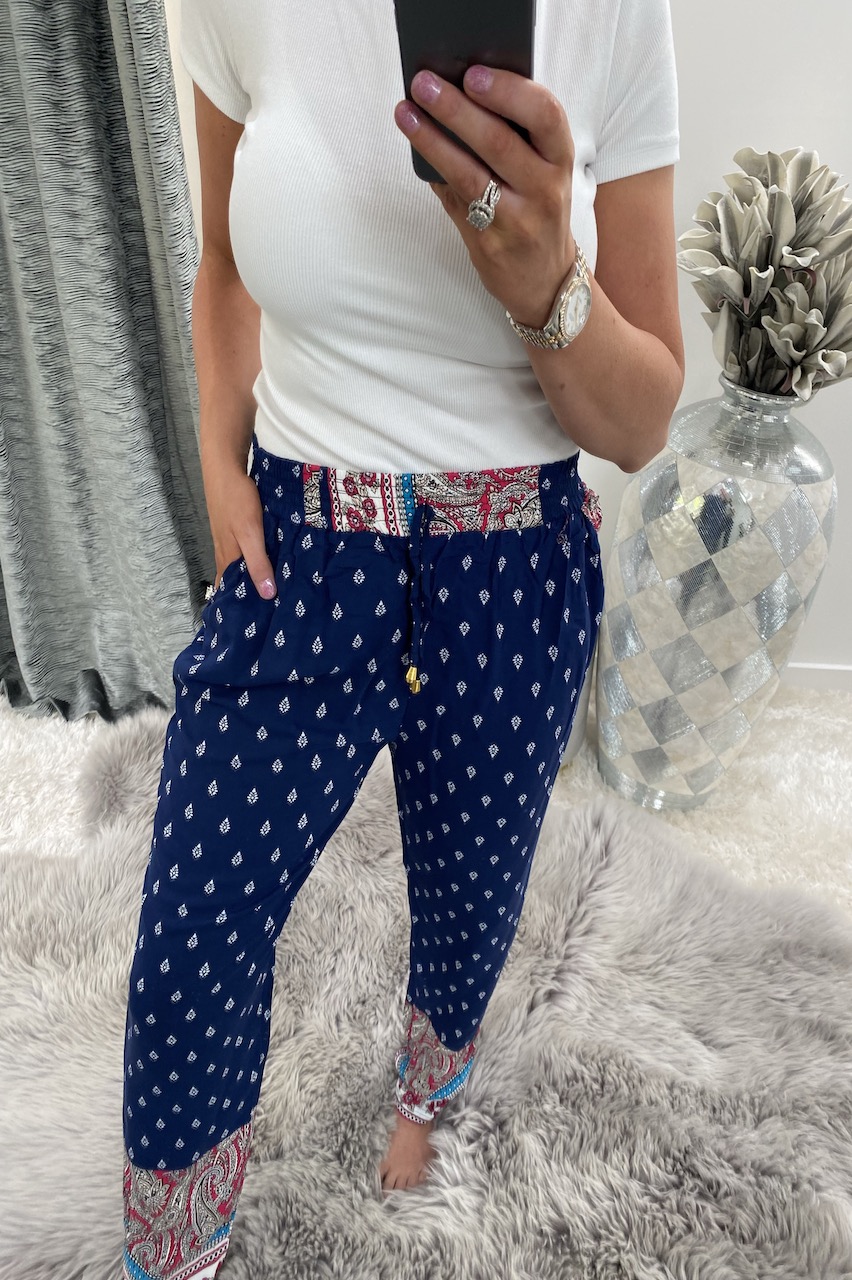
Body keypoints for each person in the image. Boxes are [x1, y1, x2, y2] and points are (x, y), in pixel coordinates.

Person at [121, 0, 685, 1274]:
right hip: (302, 548)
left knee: (470, 893)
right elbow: (224, 261)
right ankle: (175, 1246)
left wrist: (544, 280)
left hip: (513, 562)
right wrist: (219, 459)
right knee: (190, 936)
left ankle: (426, 1097)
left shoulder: (615, 14)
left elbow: (642, 418)